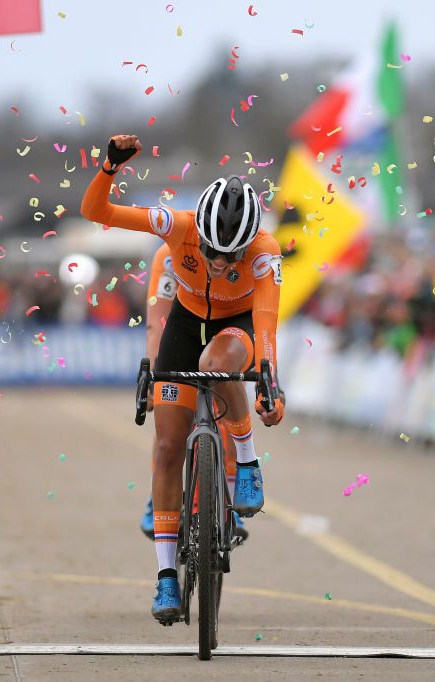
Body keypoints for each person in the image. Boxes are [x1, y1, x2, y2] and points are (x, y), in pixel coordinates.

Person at [81, 134, 286, 625]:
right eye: (213, 251)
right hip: (182, 324)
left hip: (233, 330)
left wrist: (270, 381)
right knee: (168, 448)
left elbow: (267, 323)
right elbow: (97, 212)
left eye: (229, 255)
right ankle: (167, 577)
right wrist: (109, 167)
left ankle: (248, 461)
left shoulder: (264, 252)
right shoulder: (177, 225)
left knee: (220, 360)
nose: (219, 262)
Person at [139, 244, 249, 547]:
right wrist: (154, 376)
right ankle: (156, 497)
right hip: (179, 333)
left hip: (223, 337)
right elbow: (157, 323)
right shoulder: (171, 254)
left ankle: (228, 498)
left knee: (225, 405)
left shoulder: (240, 257)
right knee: (169, 415)